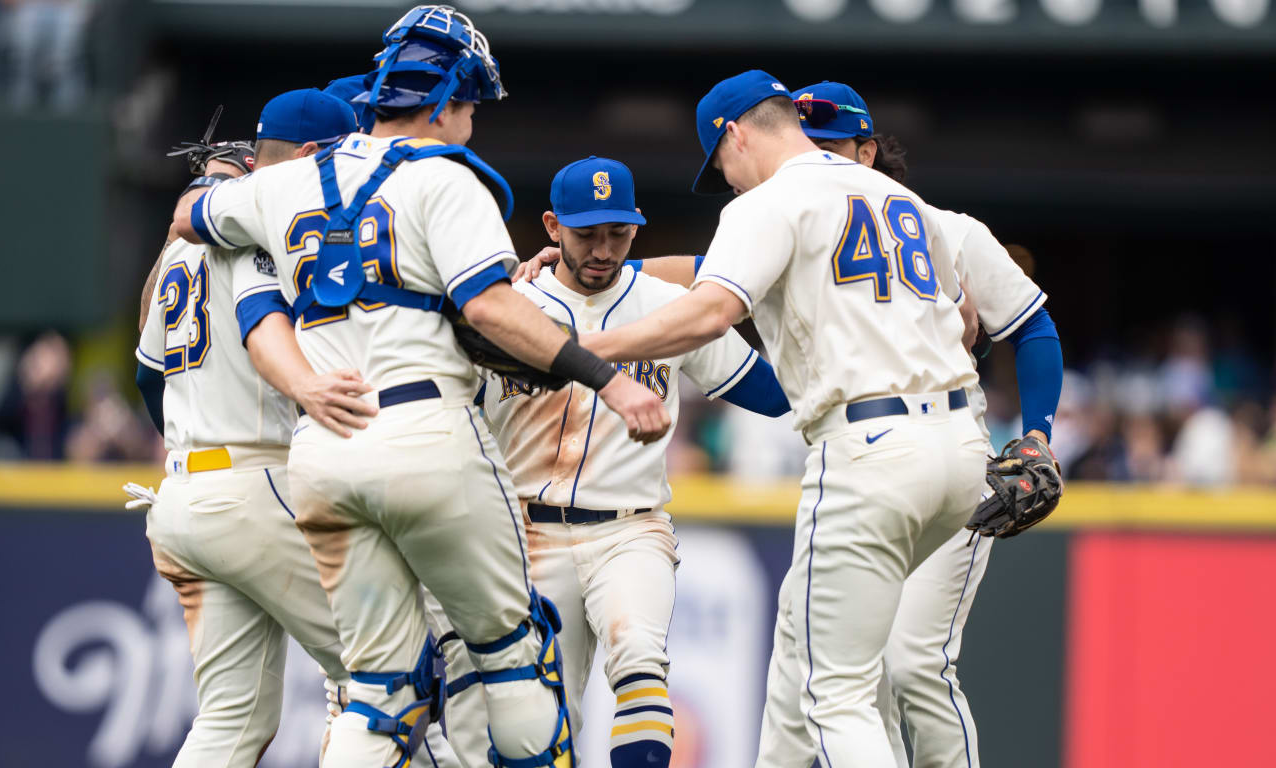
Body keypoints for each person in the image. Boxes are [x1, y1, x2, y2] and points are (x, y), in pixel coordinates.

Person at [169, 7, 669, 768]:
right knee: (515, 654)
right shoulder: (445, 179)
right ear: (441, 102)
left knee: (377, 691)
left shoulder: (289, 181)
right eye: (468, 106)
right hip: (430, 437)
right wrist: (607, 380)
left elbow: (188, 216)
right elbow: (489, 309)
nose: (470, 123)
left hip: (324, 453)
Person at [578, 70, 987, 768]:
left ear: (734, 134)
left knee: (837, 692)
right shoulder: (895, 195)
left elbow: (710, 312)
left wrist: (585, 349)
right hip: (960, 442)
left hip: (871, 445)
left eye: (722, 165)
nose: (728, 181)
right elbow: (968, 321)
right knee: (804, 642)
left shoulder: (769, 202)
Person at [751, 81, 1064, 768]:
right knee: (832, 667)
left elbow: (1032, 325)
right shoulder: (792, 216)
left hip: (947, 455)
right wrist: (616, 271)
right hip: (862, 459)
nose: (818, 159)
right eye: (808, 146)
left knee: (912, 662)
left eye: (833, 146)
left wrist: (1037, 431)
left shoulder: (942, 226)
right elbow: (710, 276)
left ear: (868, 149)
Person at [440, 156, 788, 768]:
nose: (603, 248)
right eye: (586, 233)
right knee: (539, 726)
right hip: (525, 534)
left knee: (639, 657)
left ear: (636, 229)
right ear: (552, 227)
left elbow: (765, 392)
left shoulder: (667, 304)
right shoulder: (507, 308)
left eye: (618, 232)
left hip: (631, 528)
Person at [132, 88, 439, 768]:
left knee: (231, 722)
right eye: (334, 154)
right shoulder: (257, 226)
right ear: (306, 155)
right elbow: (260, 324)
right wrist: (303, 387)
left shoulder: (184, 246)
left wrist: (196, 445)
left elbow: (149, 375)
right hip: (253, 487)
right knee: (397, 680)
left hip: (184, 492)